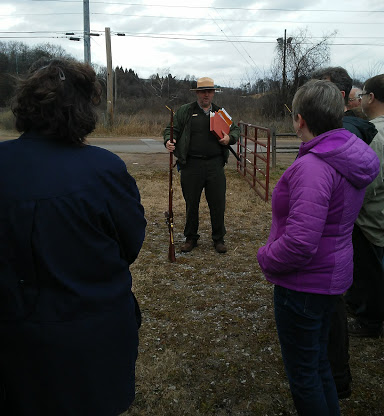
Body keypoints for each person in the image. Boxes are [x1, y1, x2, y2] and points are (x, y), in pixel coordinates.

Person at [0, 58, 146, 416]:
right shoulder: (104, 170)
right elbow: (130, 244)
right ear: (83, 110)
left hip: (13, 337)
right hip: (92, 338)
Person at [257, 79, 379, 416]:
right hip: (330, 278)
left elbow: (299, 243)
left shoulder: (314, 167)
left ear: (299, 120)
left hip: (303, 285)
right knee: (319, 364)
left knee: (304, 376)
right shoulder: (344, 153)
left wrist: (265, 256)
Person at [312, 66, 377, 398]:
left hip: (331, 241)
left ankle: (336, 377)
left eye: (319, 92)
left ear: (337, 98)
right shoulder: (350, 134)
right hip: (342, 238)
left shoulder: (342, 137)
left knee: (330, 309)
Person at [163, 76, 240, 254]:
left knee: (218, 203)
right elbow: (170, 130)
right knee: (191, 203)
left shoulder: (220, 112)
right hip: (191, 165)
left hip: (215, 165)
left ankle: (218, 239)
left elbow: (235, 129)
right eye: (203, 91)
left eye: (209, 91)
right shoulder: (185, 111)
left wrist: (230, 138)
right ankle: (191, 238)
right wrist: (169, 140)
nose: (206, 95)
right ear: (197, 93)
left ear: (213, 93)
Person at [345, 74, 384, 338]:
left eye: (362, 96)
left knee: (371, 274)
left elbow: (369, 183)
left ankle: (369, 321)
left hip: (372, 221)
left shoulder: (375, 134)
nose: (360, 101)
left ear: (370, 98)